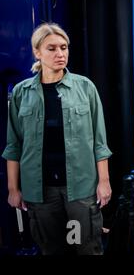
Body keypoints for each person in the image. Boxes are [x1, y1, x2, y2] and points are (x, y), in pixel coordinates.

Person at [2, 23, 113, 255]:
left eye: (64, 47)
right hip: (40, 191)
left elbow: (99, 143)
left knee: (88, 248)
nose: (60, 54)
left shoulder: (85, 88)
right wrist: (13, 188)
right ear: (37, 52)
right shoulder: (22, 93)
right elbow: (13, 145)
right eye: (51, 48)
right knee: (51, 250)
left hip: (81, 189)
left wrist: (104, 181)